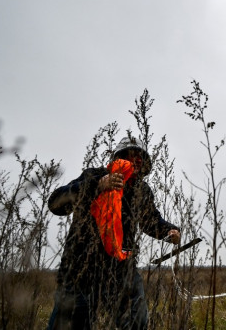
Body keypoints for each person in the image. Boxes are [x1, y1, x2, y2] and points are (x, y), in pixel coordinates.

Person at [47, 136, 180, 330]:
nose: (135, 161)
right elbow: (56, 204)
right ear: (118, 157)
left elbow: (150, 221)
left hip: (122, 269)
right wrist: (96, 186)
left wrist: (169, 231)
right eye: (129, 155)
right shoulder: (94, 175)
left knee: (136, 322)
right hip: (81, 267)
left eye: (140, 157)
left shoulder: (141, 190)